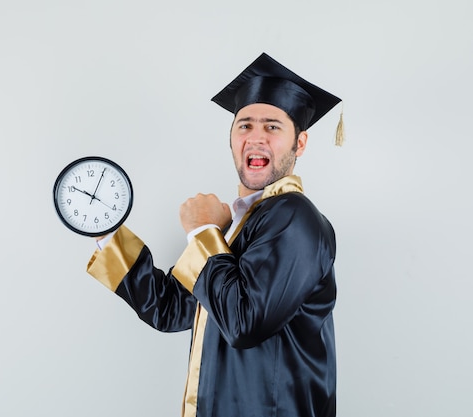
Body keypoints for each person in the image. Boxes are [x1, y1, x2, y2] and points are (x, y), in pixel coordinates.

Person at [86, 52, 342, 417]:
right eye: (244, 125)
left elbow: (244, 323)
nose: (255, 138)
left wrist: (203, 230)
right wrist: (105, 229)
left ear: (299, 144)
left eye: (272, 126)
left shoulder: (294, 217)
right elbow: (171, 309)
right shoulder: (237, 228)